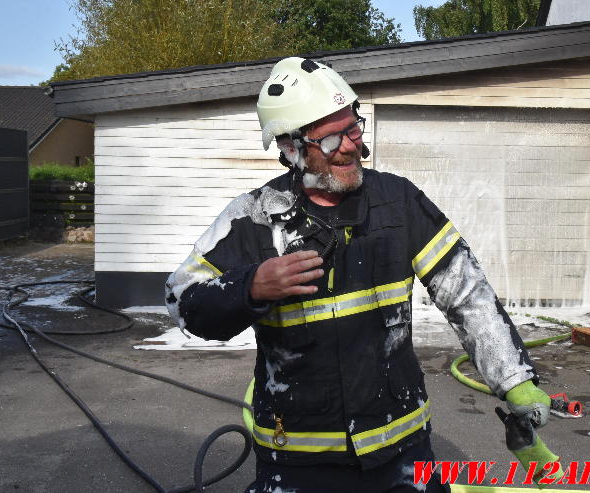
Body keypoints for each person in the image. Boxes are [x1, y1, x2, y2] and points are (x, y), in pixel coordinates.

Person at [165, 57, 551, 493]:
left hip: (402, 449)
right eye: (331, 138)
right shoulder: (254, 218)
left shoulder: (398, 202)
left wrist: (514, 381)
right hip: (297, 458)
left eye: (354, 128)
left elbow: (466, 294)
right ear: (292, 148)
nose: (350, 145)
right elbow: (182, 301)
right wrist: (251, 286)